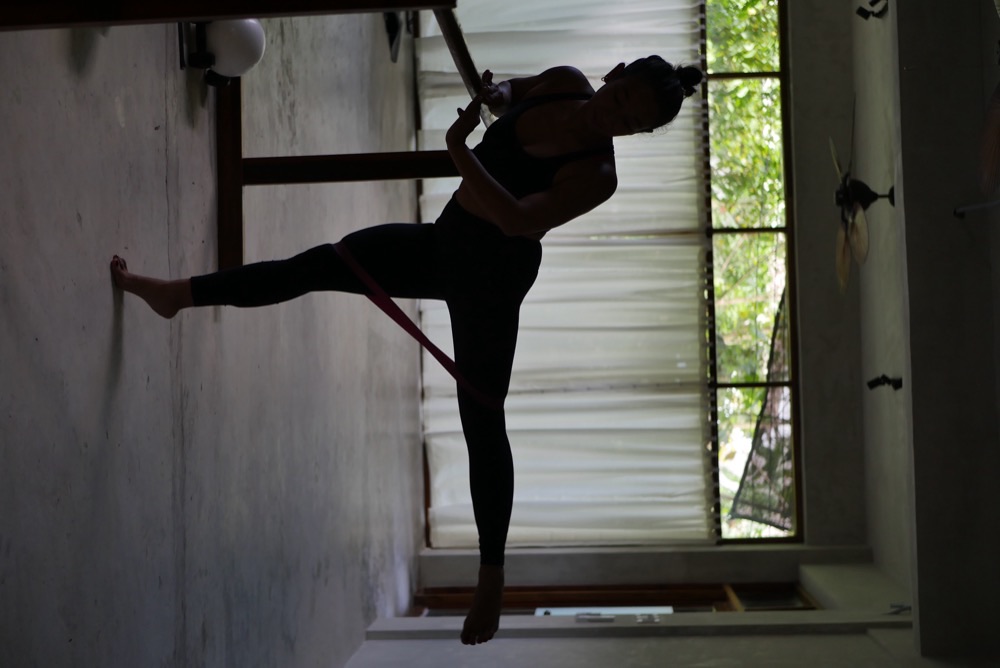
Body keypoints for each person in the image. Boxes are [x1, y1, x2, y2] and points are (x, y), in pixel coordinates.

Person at [110, 55, 704, 646]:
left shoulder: (596, 175)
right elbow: (510, 92)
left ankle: (491, 575)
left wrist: (460, 150)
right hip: (446, 242)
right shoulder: (565, 82)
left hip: (493, 277)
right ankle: (177, 295)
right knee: (320, 264)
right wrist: (495, 96)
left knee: (482, 420)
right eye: (622, 99)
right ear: (614, 75)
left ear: (635, 135)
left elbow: (516, 218)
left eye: (630, 123)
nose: (613, 117)